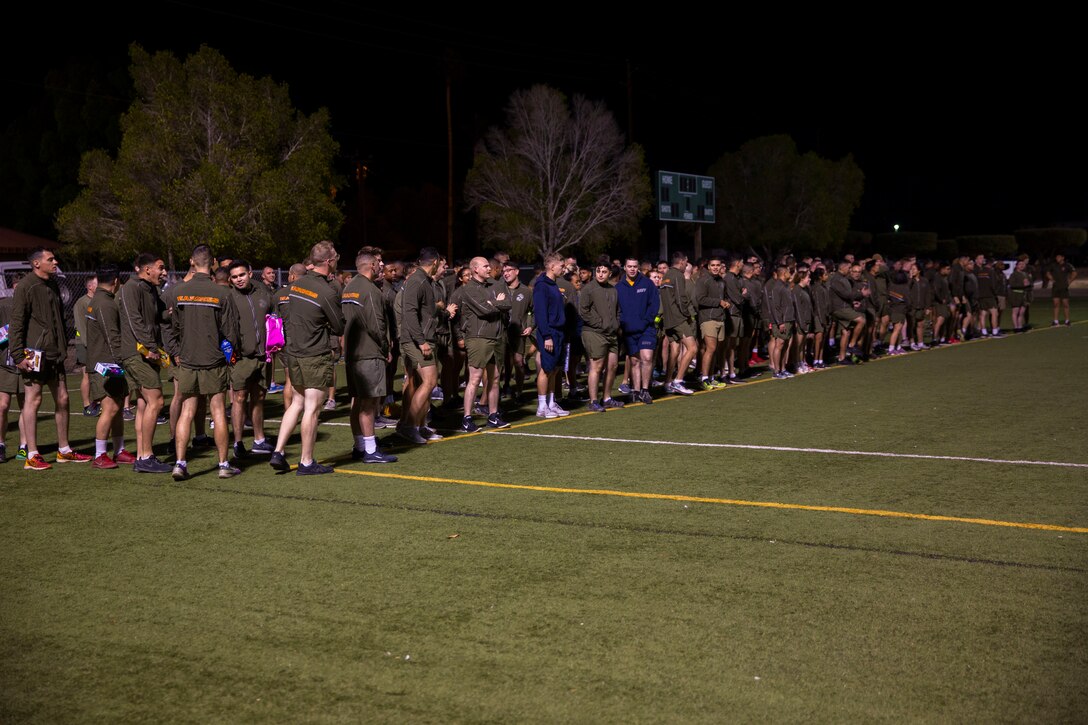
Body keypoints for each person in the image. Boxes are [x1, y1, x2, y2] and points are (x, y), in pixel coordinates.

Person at [9, 247, 92, 470]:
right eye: (50, 259)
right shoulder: (26, 286)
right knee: (33, 400)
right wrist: (17, 355)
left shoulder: (53, 283)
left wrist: (63, 348)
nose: (55, 262)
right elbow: (16, 323)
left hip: (55, 354)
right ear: (37, 263)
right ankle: (32, 454)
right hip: (33, 354)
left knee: (63, 398)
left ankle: (64, 450)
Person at [269, 241, 345, 475]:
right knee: (312, 408)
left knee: (297, 403)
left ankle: (279, 451)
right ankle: (306, 461)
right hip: (314, 352)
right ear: (329, 262)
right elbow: (339, 325)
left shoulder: (296, 285)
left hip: (295, 351)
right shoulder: (327, 291)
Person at [167, 246, 241, 480]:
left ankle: (179, 463)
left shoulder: (179, 292)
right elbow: (230, 332)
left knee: (187, 411)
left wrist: (179, 350)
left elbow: (175, 327)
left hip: (188, 360)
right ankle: (223, 464)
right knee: (218, 411)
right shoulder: (222, 293)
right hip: (213, 360)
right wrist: (230, 356)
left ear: (191, 261)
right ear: (214, 263)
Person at [119, 252, 173, 473]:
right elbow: (135, 321)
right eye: (160, 267)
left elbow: (162, 315)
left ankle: (142, 455)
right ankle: (146, 457)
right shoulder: (130, 288)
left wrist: (181, 308)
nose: (164, 272)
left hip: (145, 351)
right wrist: (151, 348)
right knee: (157, 401)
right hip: (137, 353)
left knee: (142, 403)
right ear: (147, 269)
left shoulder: (151, 289)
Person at [341, 250, 397, 463]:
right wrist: (385, 348)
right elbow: (376, 324)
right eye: (379, 262)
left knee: (357, 403)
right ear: (371, 265)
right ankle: (371, 450)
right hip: (369, 352)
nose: (382, 265)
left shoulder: (349, 287)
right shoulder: (369, 289)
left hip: (353, 353)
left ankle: (360, 445)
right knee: (369, 404)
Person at [84, 264, 136, 469]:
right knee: (111, 407)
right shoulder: (104, 303)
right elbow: (111, 335)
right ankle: (100, 454)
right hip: (105, 364)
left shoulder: (99, 300)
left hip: (105, 361)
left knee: (117, 407)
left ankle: (119, 450)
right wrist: (122, 360)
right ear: (115, 281)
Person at [396, 247, 445, 445]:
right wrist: (421, 341)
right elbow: (409, 312)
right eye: (441, 263)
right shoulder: (416, 280)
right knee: (430, 382)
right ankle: (409, 427)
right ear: (434, 262)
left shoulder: (424, 280)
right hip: (416, 340)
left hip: (423, 338)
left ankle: (418, 425)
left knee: (423, 383)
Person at [454, 257, 510, 431]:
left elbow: (507, 303)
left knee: (494, 378)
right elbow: (485, 309)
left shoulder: (494, 284)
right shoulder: (468, 288)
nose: (489, 268)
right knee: (475, 379)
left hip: (496, 336)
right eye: (485, 266)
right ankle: (467, 418)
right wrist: (496, 303)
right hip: (478, 338)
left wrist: (495, 303)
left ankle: (493, 415)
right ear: (475, 269)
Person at [227, 259, 274, 458]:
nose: (239, 279)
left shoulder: (263, 292)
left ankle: (259, 440)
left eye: (242, 275)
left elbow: (273, 319)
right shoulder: (229, 297)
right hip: (241, 358)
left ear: (249, 273)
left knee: (259, 398)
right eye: (235, 276)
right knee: (239, 399)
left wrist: (274, 343)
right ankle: (238, 443)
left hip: (263, 356)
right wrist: (232, 353)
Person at [578, 256, 624, 411]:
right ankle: (593, 401)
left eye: (604, 272)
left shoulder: (613, 290)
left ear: (610, 273)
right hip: (594, 333)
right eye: (598, 271)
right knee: (596, 366)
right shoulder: (588, 289)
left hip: (611, 333)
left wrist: (615, 324)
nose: (601, 274)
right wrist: (600, 324)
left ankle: (607, 398)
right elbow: (583, 311)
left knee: (612, 366)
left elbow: (617, 310)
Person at [616, 257, 660, 404]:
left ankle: (645, 390)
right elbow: (617, 309)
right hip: (628, 330)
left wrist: (646, 321)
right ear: (625, 268)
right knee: (634, 361)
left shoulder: (647, 284)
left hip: (646, 329)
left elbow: (654, 305)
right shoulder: (618, 287)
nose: (632, 269)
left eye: (635, 266)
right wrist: (622, 324)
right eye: (629, 266)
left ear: (638, 268)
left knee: (647, 357)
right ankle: (636, 390)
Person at [532, 252, 568, 418]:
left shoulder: (554, 284)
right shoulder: (542, 284)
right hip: (550, 332)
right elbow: (540, 313)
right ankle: (541, 407)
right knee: (546, 369)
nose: (564, 268)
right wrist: (546, 335)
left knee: (554, 369)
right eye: (561, 265)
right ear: (552, 266)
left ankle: (551, 403)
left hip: (558, 331)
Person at [658, 251, 697, 395]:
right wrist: (687, 315)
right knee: (692, 348)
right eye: (686, 262)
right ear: (681, 262)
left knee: (674, 351)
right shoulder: (678, 275)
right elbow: (681, 299)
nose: (686, 265)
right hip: (678, 318)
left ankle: (668, 382)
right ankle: (678, 381)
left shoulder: (666, 276)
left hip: (668, 320)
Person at [0, 272, 27, 463]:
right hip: (5, 363)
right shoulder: (3, 305)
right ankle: (0, 444)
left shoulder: (31, 306)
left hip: (26, 363)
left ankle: (24, 445)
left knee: (26, 406)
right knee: (2, 406)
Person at [691, 255, 728, 389]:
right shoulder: (703, 280)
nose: (715, 268)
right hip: (708, 318)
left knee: (715, 349)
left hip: (720, 317)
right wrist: (718, 302)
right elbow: (700, 299)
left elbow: (723, 297)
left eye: (718, 265)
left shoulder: (721, 281)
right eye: (713, 265)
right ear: (708, 267)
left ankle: (711, 377)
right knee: (710, 348)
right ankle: (704, 378)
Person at [500, 260, 534, 403]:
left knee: (518, 362)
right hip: (501, 332)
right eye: (504, 271)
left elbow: (532, 311)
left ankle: (519, 392)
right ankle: (505, 387)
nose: (506, 273)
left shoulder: (526, 291)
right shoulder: (499, 288)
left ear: (517, 271)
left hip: (518, 333)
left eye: (509, 270)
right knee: (502, 363)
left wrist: (530, 325)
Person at [73, 274, 99, 417]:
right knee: (87, 374)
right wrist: (88, 345)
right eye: (97, 283)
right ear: (89, 286)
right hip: (85, 344)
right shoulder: (81, 302)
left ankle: (97, 401)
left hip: (97, 344)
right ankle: (87, 405)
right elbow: (81, 326)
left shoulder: (98, 301)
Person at [1046, 253, 1076, 325]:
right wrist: (1051, 279)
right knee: (1056, 304)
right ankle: (1055, 321)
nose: (1057, 258)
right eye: (1056, 257)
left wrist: (1070, 281)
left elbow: (1074, 273)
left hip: (1064, 287)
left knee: (1065, 304)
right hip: (1055, 287)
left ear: (1063, 257)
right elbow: (1047, 273)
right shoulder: (1053, 265)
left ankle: (1067, 320)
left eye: (1059, 257)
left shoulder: (1067, 265)